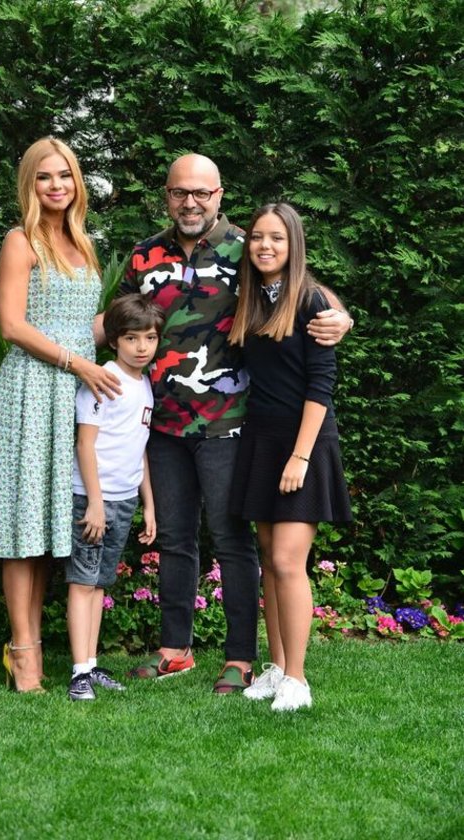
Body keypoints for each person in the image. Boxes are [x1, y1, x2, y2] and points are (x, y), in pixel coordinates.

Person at [96, 153, 352, 693]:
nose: (190, 202)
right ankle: (175, 649)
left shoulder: (246, 247)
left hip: (231, 424)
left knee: (234, 541)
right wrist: (56, 345)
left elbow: (303, 287)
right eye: (179, 192)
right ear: (166, 196)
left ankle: (241, 658)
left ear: (219, 195)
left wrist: (341, 316)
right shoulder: (145, 255)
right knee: (174, 539)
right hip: (162, 423)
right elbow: (116, 321)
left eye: (201, 193)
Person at [0, 137, 121, 694]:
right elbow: (12, 325)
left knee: (48, 522)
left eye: (65, 176)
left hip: (72, 396)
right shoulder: (21, 240)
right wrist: (78, 363)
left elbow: (83, 324)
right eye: (44, 177)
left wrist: (140, 320)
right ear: (29, 184)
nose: (56, 186)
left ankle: (32, 649)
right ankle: (24, 652)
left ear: (77, 182)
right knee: (22, 525)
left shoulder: (84, 243)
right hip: (30, 394)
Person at [228, 202, 352, 711]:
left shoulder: (311, 300)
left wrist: (300, 457)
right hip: (261, 439)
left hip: (305, 442)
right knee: (269, 560)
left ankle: (298, 681)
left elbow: (321, 386)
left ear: (294, 244)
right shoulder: (253, 297)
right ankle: (277, 667)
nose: (265, 246)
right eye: (258, 237)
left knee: (286, 560)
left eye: (277, 238)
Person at [66, 294, 165, 701]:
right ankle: (78, 673)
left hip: (124, 499)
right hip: (93, 499)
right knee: (82, 582)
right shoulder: (102, 379)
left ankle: (90, 664)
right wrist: (94, 503)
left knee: (99, 583)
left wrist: (149, 503)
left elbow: (139, 446)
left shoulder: (145, 384)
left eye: (150, 338)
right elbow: (84, 444)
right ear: (113, 340)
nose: (142, 347)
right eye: (131, 338)